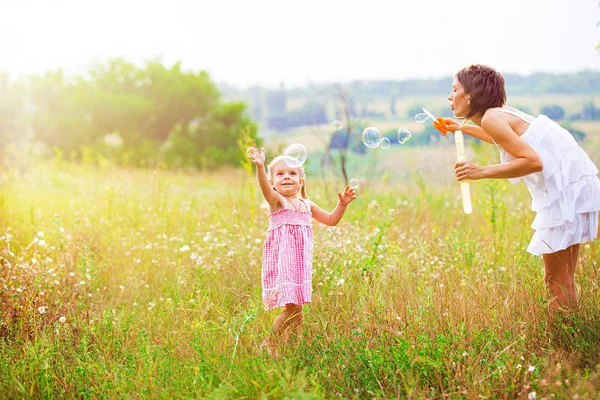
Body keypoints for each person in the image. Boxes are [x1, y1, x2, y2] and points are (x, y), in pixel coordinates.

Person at [437, 64, 600, 316]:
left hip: (567, 191)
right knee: (558, 279)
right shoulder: (496, 115)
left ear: (470, 95)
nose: (450, 96)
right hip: (573, 186)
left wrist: (480, 171)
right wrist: (461, 127)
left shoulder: (491, 118)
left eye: (454, 89)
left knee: (558, 282)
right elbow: (502, 138)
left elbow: (533, 161)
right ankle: (571, 334)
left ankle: (566, 341)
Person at [247, 144, 356, 354]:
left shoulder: (307, 204)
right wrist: (260, 167)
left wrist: (342, 205)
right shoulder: (278, 202)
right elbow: (265, 190)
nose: (286, 177)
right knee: (292, 307)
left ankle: (292, 347)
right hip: (284, 261)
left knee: (298, 310)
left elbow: (331, 220)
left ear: (301, 181)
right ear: (272, 182)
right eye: (280, 174)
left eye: (292, 173)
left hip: (301, 263)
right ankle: (269, 343)